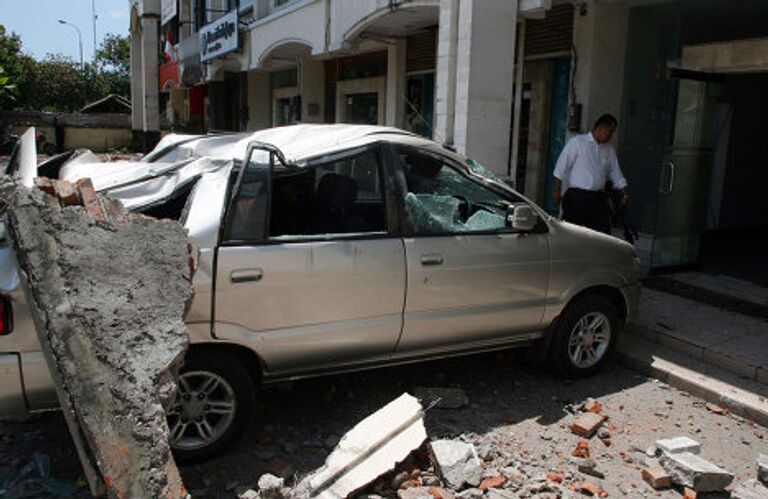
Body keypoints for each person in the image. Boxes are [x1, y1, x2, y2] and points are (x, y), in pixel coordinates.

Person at [552, 114, 629, 235]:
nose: (610, 135)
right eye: (609, 131)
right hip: (577, 196)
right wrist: (556, 192)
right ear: (600, 127)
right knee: (572, 233)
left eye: (612, 132)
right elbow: (560, 168)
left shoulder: (609, 149)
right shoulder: (578, 142)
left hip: (597, 198)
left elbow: (616, 173)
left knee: (602, 235)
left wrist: (624, 193)